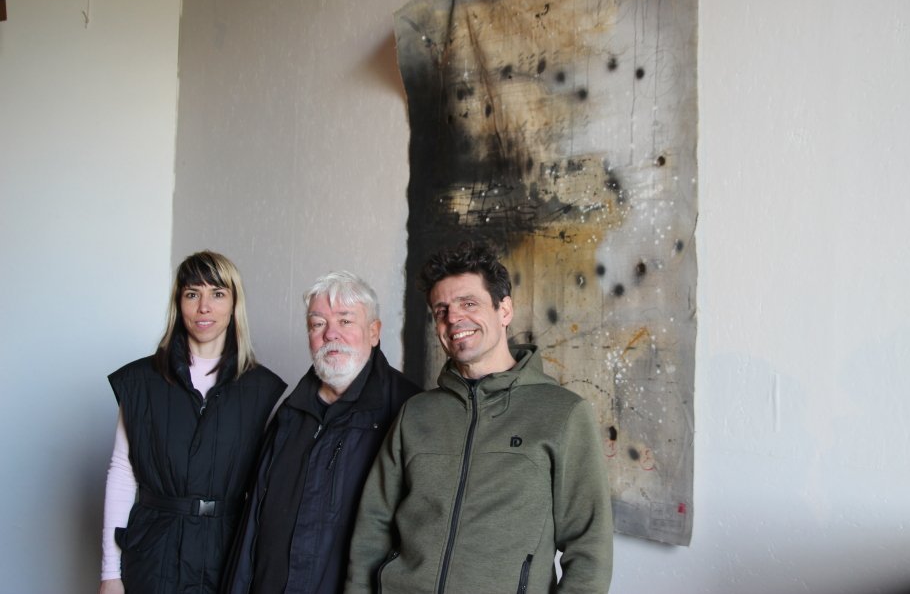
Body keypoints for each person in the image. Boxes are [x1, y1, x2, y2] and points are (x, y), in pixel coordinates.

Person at [345, 241, 614, 594]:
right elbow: (373, 524)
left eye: (468, 303)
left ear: (505, 310)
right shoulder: (416, 413)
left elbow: (589, 550)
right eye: (441, 310)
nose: (453, 318)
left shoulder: (563, 414)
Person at [99, 251, 286, 594]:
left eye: (217, 294)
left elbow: (268, 492)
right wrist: (110, 573)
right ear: (178, 303)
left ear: (234, 304)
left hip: (227, 557)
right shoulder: (139, 382)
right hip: (152, 554)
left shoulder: (263, 390)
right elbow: (122, 474)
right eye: (192, 294)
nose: (204, 307)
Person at [223, 270, 421, 594]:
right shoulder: (290, 413)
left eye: (345, 321)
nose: (330, 334)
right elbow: (252, 525)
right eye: (318, 324)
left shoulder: (409, 409)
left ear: (374, 332)